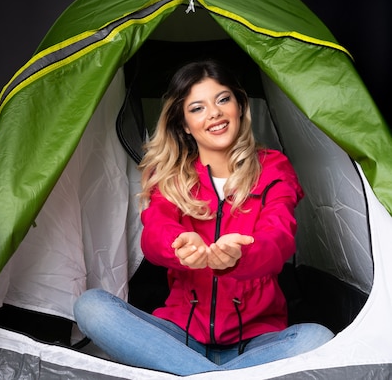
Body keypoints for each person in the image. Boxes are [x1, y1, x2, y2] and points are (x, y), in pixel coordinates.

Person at [73, 59, 334, 376]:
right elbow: (154, 232)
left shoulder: (273, 167)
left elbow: (280, 238)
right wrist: (179, 245)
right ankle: (221, 374)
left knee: (317, 339)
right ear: (184, 123)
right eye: (197, 108)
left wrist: (241, 254)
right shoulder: (168, 175)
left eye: (223, 99)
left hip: (256, 342)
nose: (214, 113)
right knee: (91, 307)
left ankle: (188, 373)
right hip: (179, 338)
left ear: (239, 105)